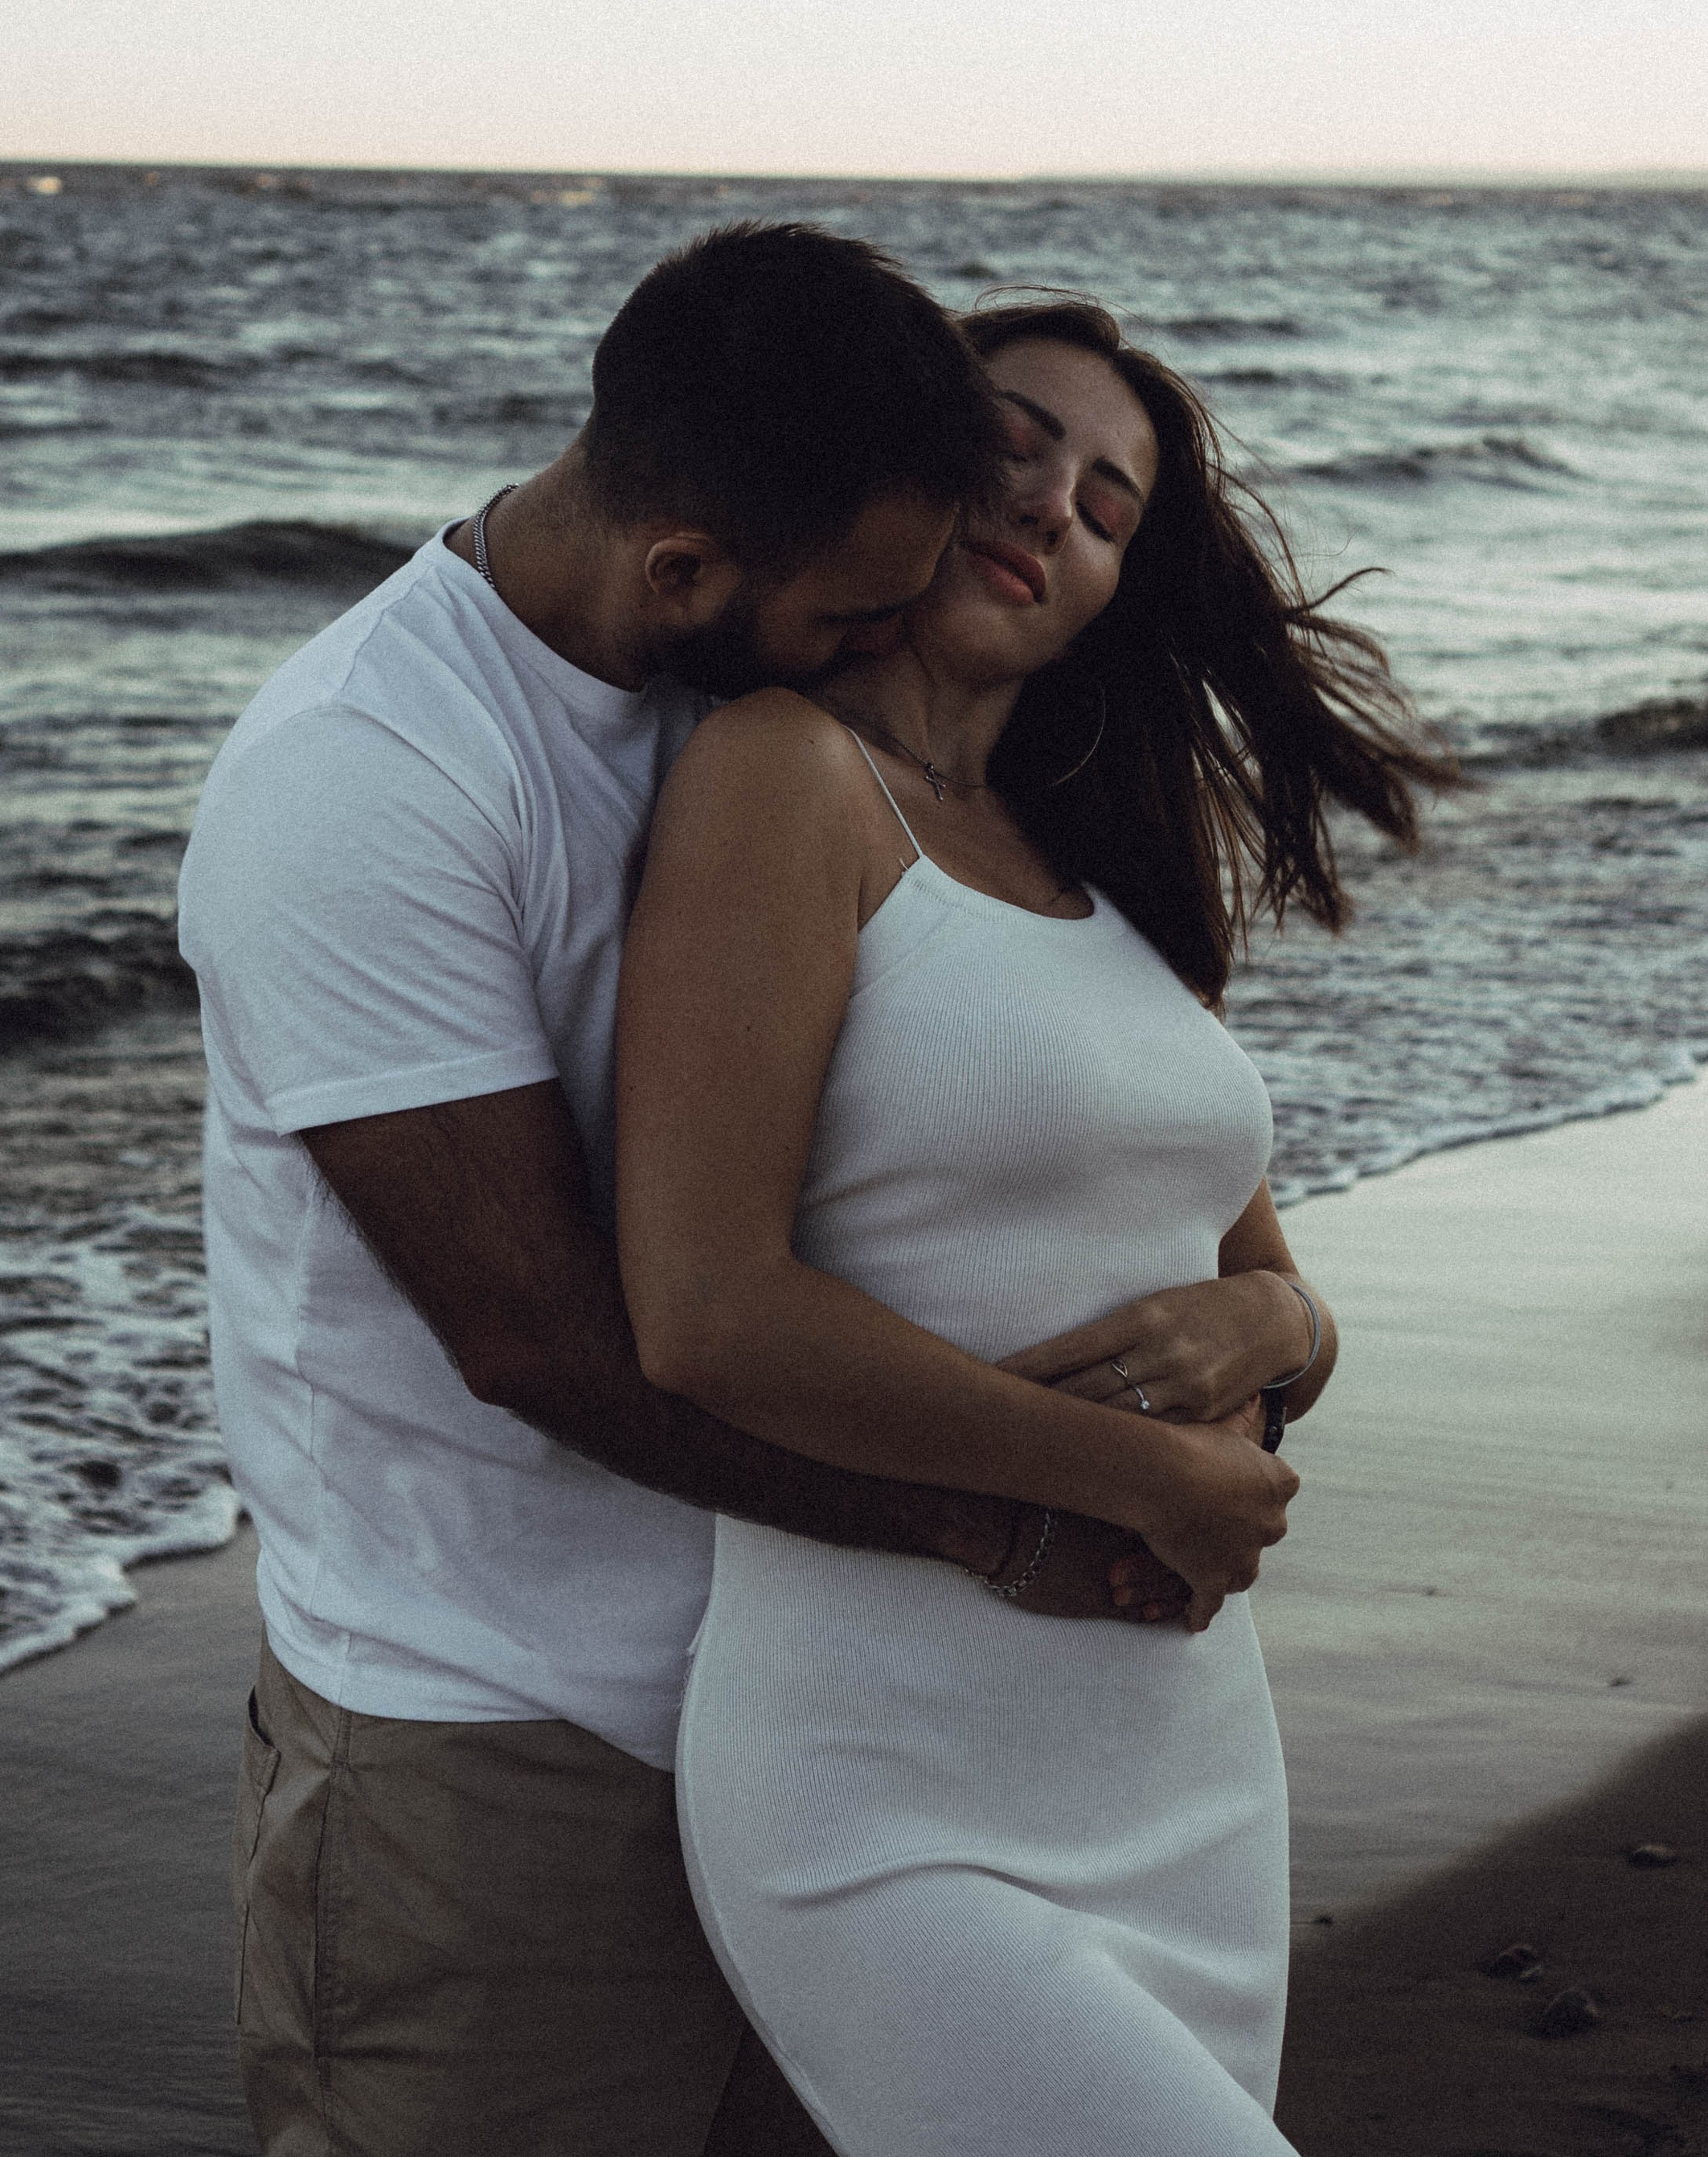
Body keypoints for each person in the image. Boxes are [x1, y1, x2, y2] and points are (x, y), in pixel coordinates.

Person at [180, 228, 1200, 2157]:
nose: (872, 641)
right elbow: (535, 1338)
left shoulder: (751, 718)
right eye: (849, 610)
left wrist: (1261, 1322)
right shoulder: (366, 778)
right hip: (497, 1743)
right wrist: (1012, 1526)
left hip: (812, 1716)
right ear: (684, 569)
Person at [615, 293, 1456, 2157]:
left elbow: (1256, 1281)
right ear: (899, 461)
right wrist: (1126, 1474)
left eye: (1109, 502)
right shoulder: (782, 773)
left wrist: (1285, 1341)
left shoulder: (1099, 861)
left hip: (1180, 1770)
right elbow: (704, 1310)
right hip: (886, 1779)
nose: (1053, 507)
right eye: (1016, 439)